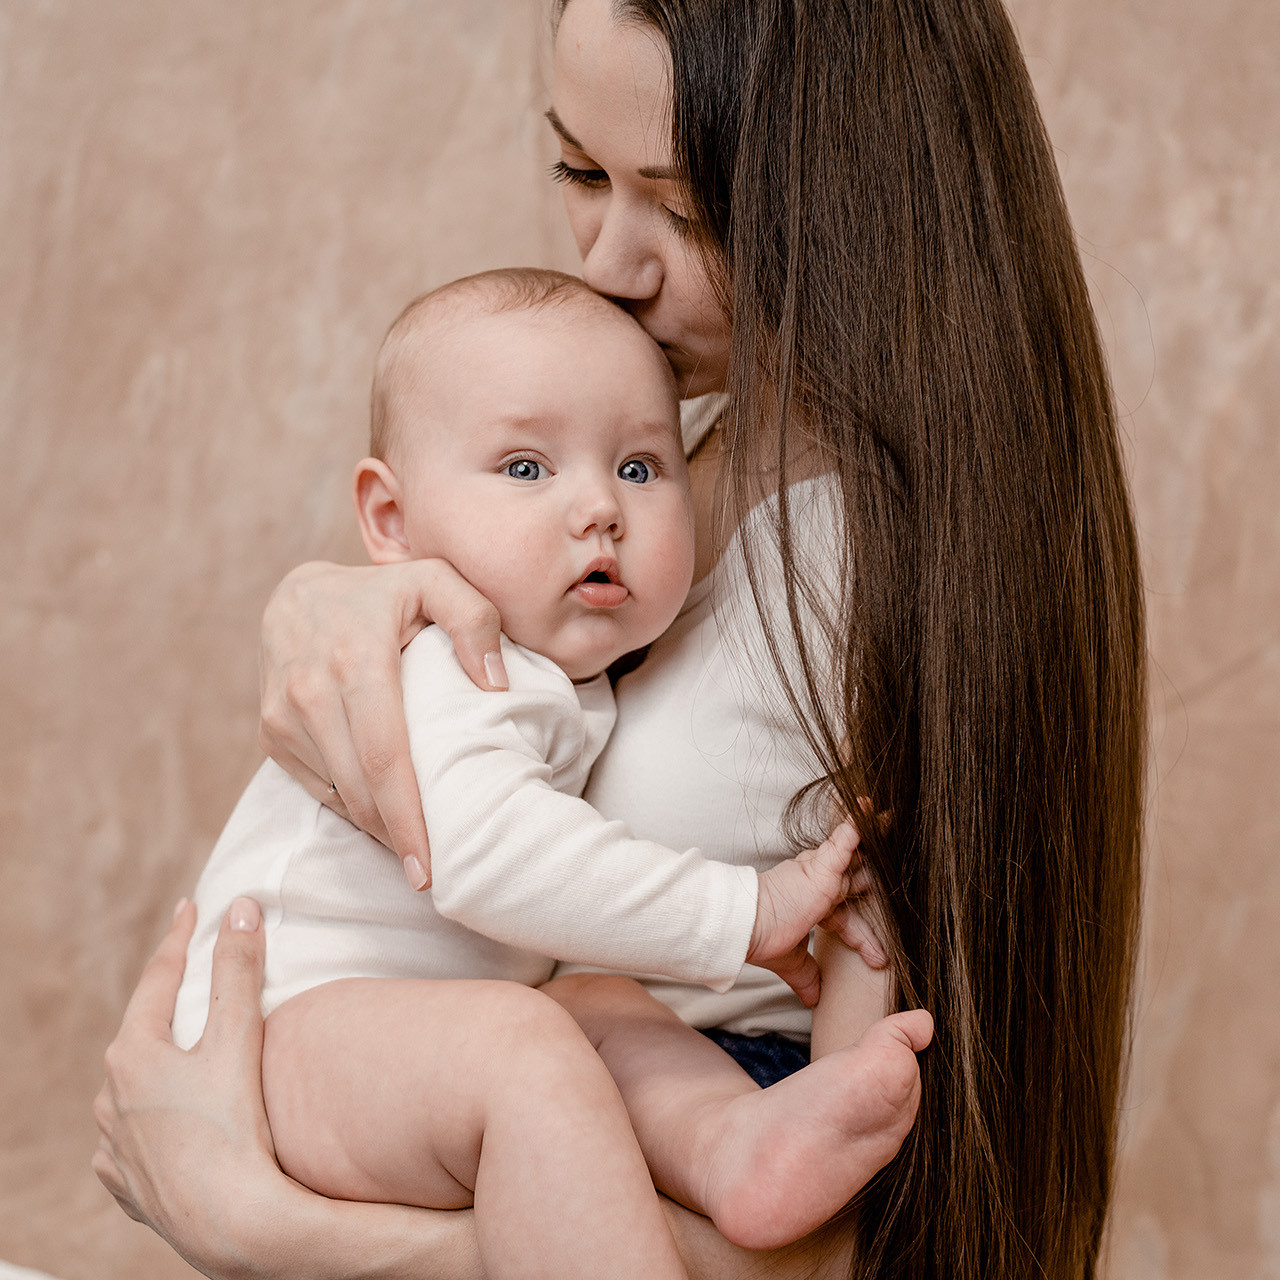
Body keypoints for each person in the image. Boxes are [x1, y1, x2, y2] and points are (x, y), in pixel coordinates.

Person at [93, 1, 1147, 1278]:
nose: (608, 265)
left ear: (857, 196)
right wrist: (344, 599)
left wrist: (254, 1221)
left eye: (682, 210)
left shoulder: (901, 575)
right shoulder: (668, 458)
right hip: (403, 1063)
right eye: (580, 173)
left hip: (560, 1143)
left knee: (565, 1027)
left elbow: (845, 1240)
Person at [167, 265, 931, 1280]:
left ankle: (727, 1143)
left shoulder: (557, 677)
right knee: (524, 1046)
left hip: (405, 1048)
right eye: (526, 468)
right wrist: (743, 912)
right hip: (282, 1040)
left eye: (640, 467)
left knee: (599, 1004)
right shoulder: (457, 662)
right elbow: (489, 860)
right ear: (391, 519)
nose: (599, 508)